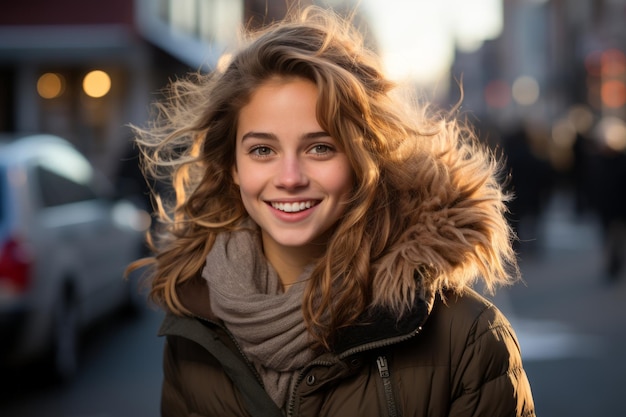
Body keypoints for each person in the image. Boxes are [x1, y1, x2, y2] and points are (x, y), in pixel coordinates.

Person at [128, 6, 535, 417]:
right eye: (262, 150)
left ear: (363, 159)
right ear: (232, 166)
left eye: (320, 147)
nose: (289, 177)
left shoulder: (467, 336)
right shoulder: (195, 330)